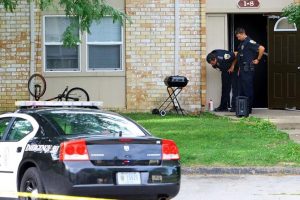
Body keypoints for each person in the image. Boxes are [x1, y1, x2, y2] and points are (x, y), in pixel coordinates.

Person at [228, 27, 265, 114]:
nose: (238, 38)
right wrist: (234, 65)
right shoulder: (242, 43)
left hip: (247, 69)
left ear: (242, 33)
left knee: (247, 89)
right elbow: (238, 55)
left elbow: (262, 48)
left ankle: (248, 108)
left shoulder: (249, 42)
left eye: (238, 36)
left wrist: (258, 59)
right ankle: (242, 108)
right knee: (241, 90)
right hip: (242, 70)